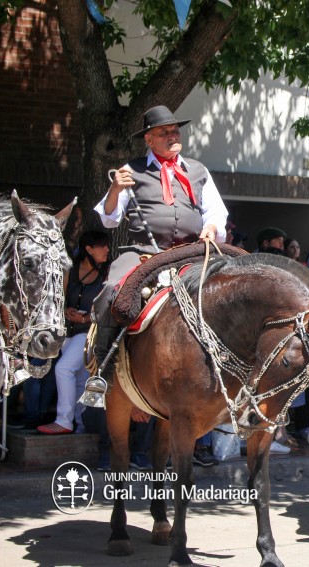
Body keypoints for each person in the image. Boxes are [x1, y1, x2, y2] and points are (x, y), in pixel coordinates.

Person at [81, 105, 228, 407]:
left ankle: (231, 369)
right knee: (112, 292)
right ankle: (104, 371)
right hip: (142, 253)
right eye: (164, 132)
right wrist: (113, 190)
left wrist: (211, 227)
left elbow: (216, 211)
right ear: (148, 139)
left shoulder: (198, 171)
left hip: (192, 253)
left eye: (175, 131)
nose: (172, 136)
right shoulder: (130, 170)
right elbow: (109, 218)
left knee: (229, 290)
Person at [38, 231, 110, 434]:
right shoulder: (72, 269)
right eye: (102, 246)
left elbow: (109, 305)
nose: (107, 250)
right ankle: (82, 424)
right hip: (69, 332)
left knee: (63, 369)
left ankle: (64, 420)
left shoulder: (108, 272)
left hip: (90, 332)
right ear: (89, 249)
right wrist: (65, 311)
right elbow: (58, 297)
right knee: (79, 379)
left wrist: (86, 318)